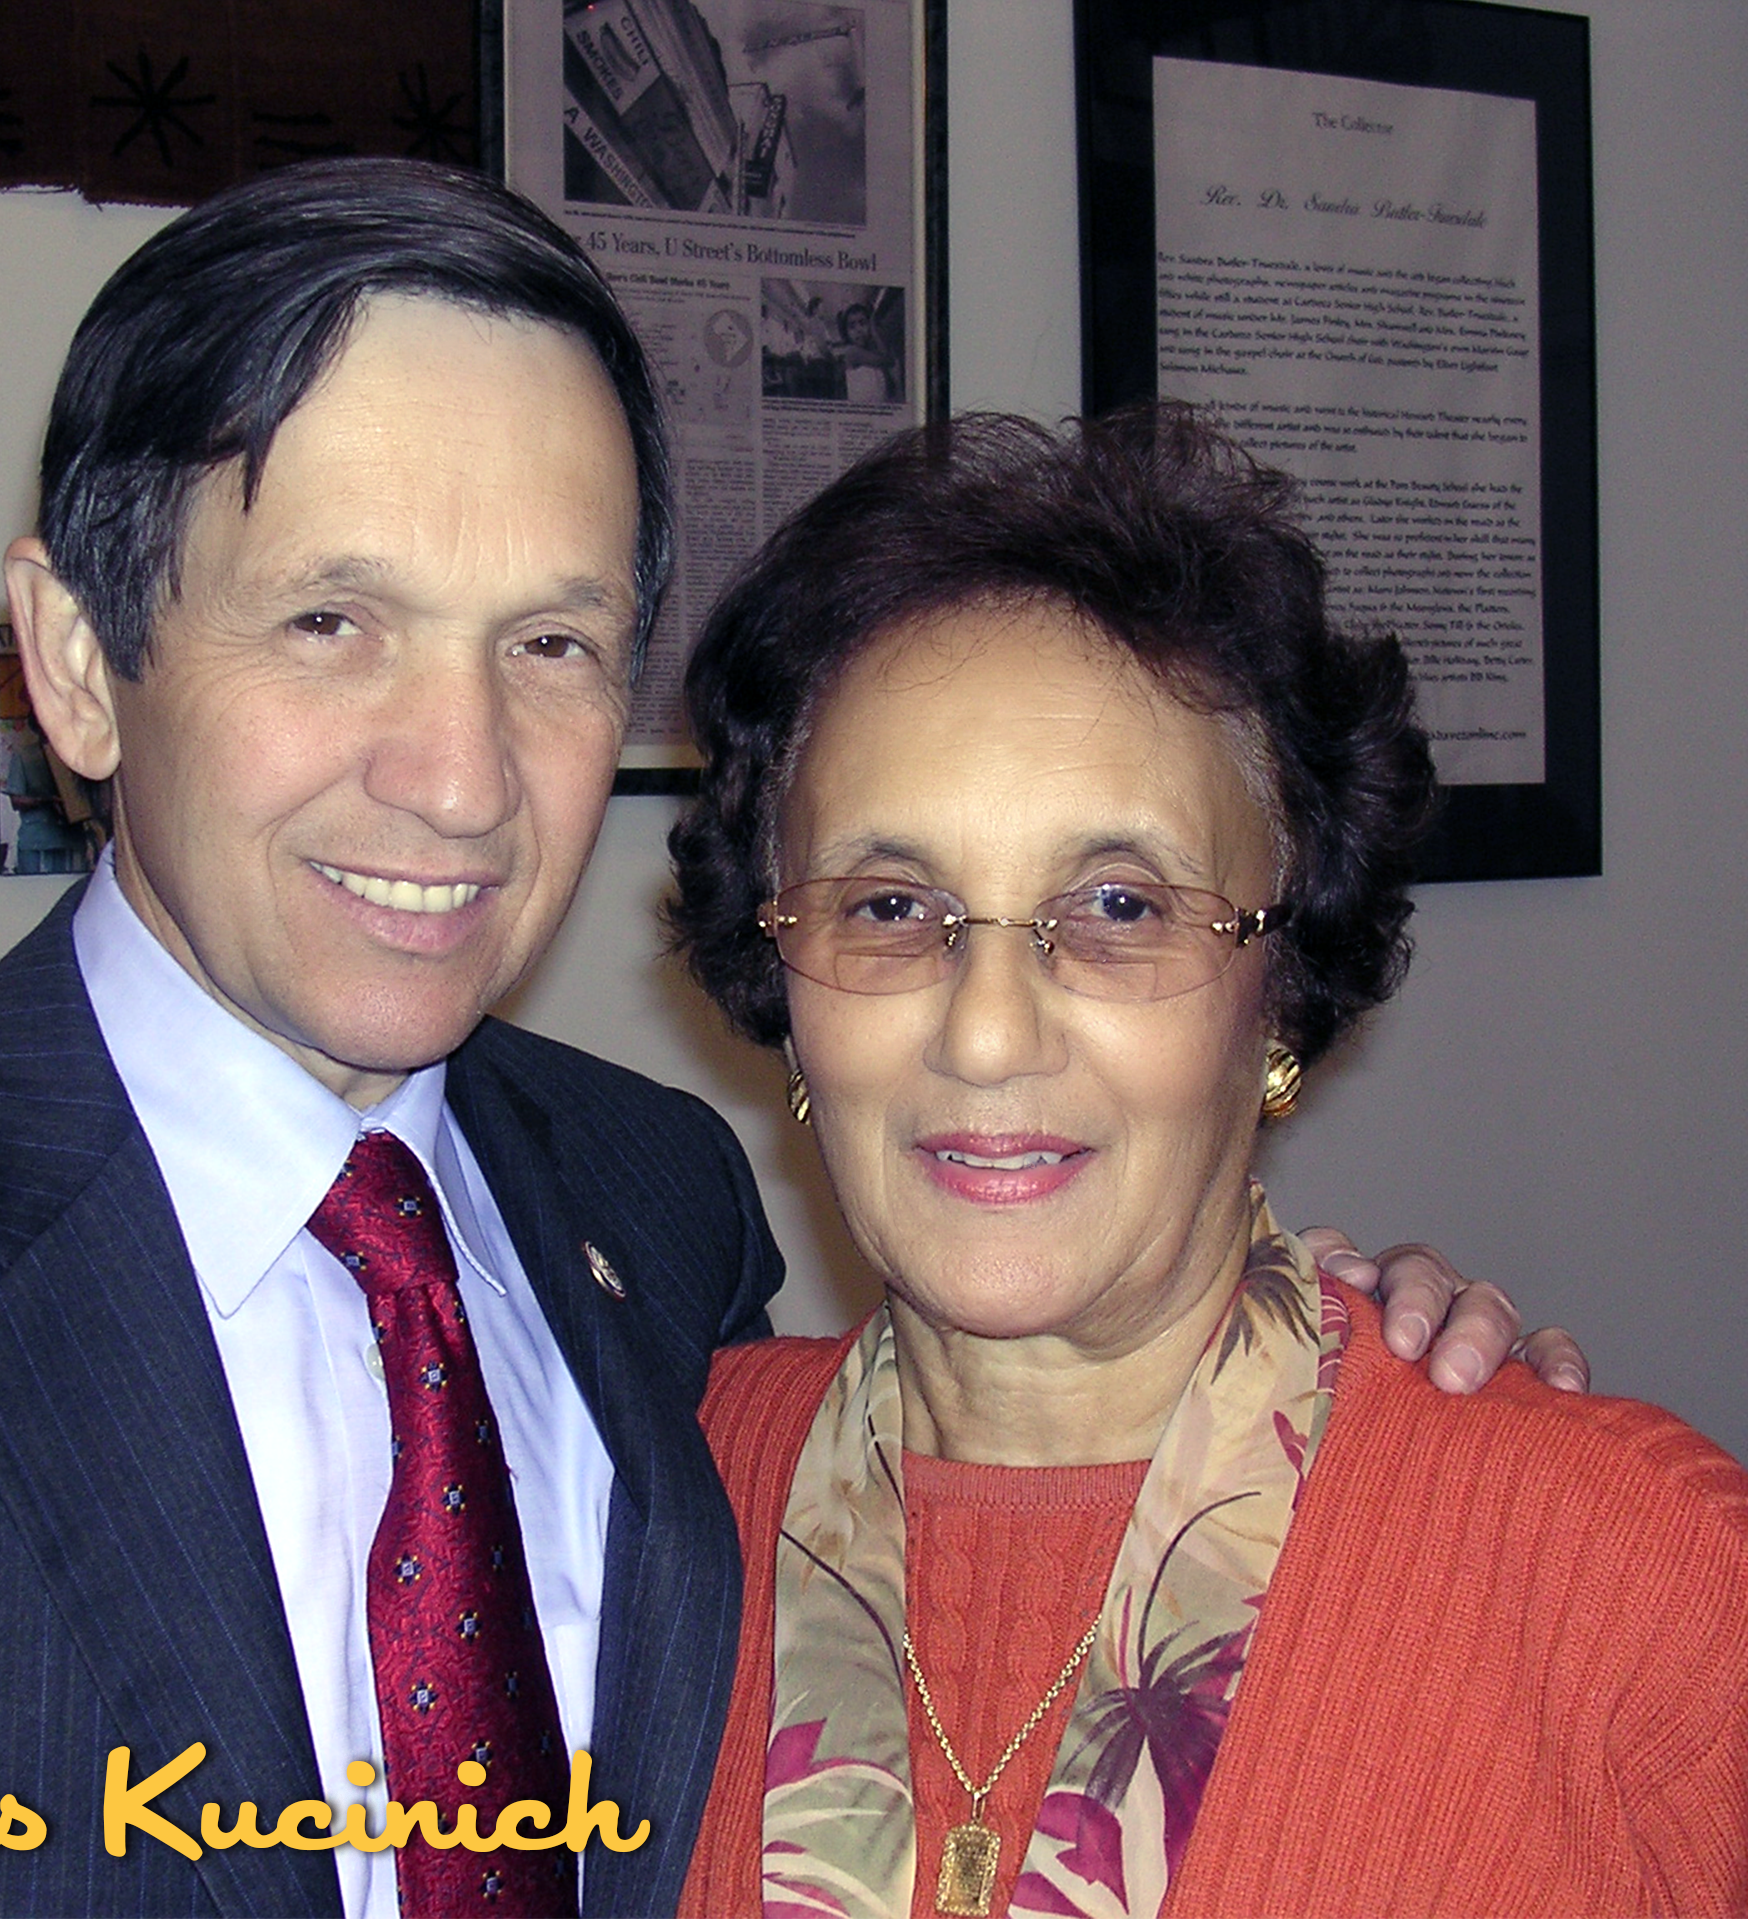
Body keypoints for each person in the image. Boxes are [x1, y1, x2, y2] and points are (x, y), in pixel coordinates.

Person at [0, 164, 1560, 1919]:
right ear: (80, 664)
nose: (457, 779)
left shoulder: (651, 1208)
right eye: (334, 622)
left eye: (552, 646)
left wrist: (1330, 1350)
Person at [667, 405, 1748, 1918]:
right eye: (891, 907)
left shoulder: (1642, 1585)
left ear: (1281, 992)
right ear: (786, 983)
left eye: (1117, 907)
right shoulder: (636, 1495)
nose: (986, 1036)